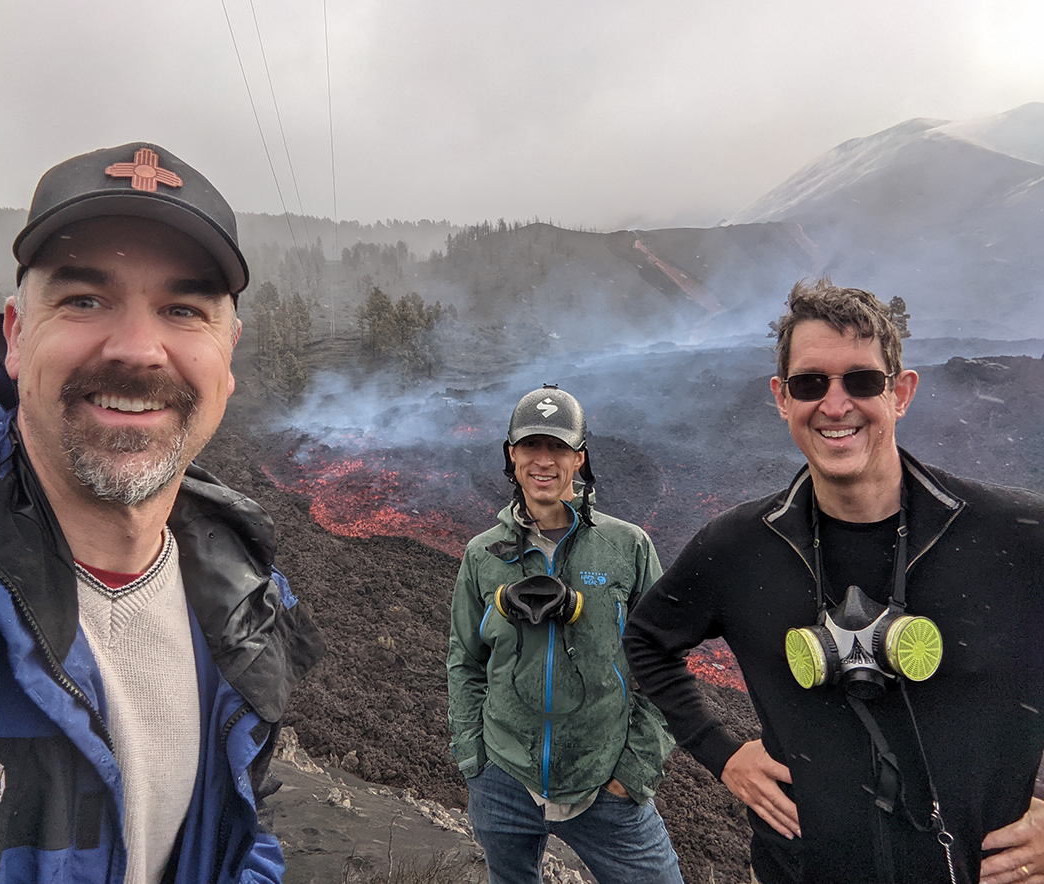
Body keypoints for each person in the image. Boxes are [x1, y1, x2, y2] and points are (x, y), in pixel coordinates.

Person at [0, 142, 325, 883]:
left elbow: (235, 833)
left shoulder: (241, 598)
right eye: (84, 300)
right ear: (15, 334)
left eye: (183, 309)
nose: (137, 349)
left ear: (228, 355)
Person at [623, 279, 1044, 884]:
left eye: (863, 381)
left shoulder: (1014, 536)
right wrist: (724, 755)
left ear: (901, 392)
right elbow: (645, 641)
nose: (835, 404)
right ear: (781, 397)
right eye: (810, 383)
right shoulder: (738, 546)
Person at [447, 385, 684, 884]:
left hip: (603, 784)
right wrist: (475, 759)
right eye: (531, 446)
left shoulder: (628, 547)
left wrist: (636, 770)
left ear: (579, 459)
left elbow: (666, 659)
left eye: (558, 447)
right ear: (511, 456)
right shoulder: (482, 555)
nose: (544, 461)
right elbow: (465, 660)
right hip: (504, 781)